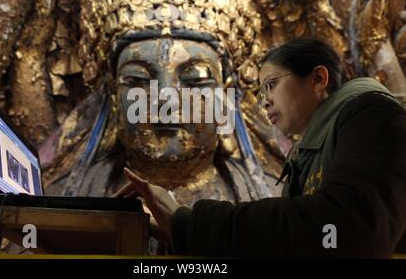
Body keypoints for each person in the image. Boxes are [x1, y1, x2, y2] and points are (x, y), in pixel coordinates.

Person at [115, 38, 406, 258]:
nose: (264, 101)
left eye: (271, 85)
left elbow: (350, 230)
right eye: (137, 81)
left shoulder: (374, 114)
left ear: (318, 79)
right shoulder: (306, 154)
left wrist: (189, 224)